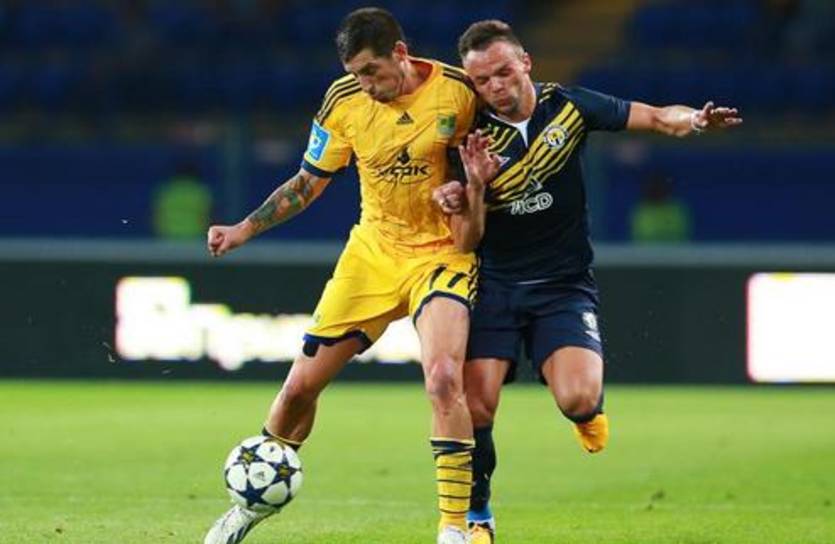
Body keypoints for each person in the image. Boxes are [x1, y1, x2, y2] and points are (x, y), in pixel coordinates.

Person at [434, 20, 742, 544]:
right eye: (481, 81)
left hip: (562, 285)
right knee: (476, 406)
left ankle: (583, 411)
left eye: (503, 72)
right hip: (494, 286)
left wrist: (693, 119)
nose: (495, 87)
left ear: (525, 62)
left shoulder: (570, 107)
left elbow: (654, 116)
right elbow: (466, 241)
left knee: (578, 399)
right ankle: (479, 517)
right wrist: (476, 188)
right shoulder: (468, 137)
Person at [203, 8, 490, 544]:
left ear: (400, 53)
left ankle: (455, 528)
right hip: (373, 254)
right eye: (356, 74)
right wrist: (244, 228)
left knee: (443, 378)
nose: (366, 85)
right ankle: (249, 506)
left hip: (442, 254)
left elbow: (489, 168)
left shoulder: (457, 92)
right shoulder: (344, 101)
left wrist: (466, 192)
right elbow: (308, 182)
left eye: (372, 72)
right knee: (298, 389)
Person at [151, 162, 213, 240]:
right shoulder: (200, 192)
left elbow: (157, 217)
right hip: (194, 237)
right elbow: (206, 218)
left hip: (168, 237)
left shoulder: (167, 191)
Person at [630, 173, 692, 243]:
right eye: (654, 189)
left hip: (674, 249)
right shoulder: (641, 210)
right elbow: (639, 236)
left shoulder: (676, 209)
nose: (656, 192)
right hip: (648, 249)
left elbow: (682, 235)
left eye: (658, 189)